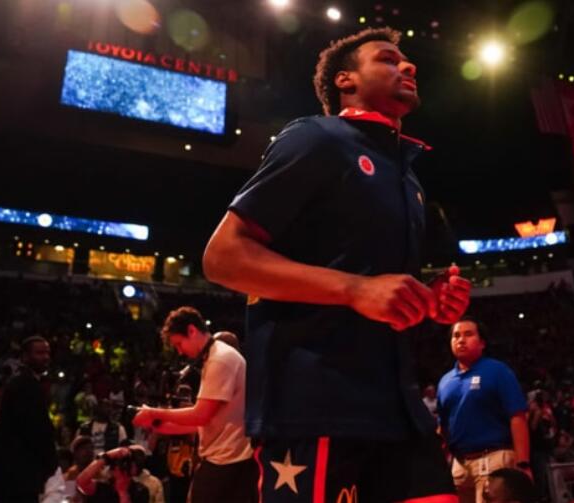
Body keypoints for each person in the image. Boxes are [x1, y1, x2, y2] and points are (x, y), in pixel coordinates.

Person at [202, 27, 471, 502]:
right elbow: (223, 256)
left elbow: (376, 284)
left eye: (406, 61)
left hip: (398, 407)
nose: (407, 65)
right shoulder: (316, 138)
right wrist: (355, 289)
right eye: (387, 59)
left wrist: (427, 299)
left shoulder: (408, 178)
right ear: (345, 80)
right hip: (317, 404)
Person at [132, 307, 254, 503]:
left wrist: (154, 412)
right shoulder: (214, 357)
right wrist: (162, 427)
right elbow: (208, 422)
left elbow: (201, 416)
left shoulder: (220, 359)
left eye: (179, 344)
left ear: (192, 330)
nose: (180, 351)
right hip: (228, 458)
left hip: (227, 460)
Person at [437, 317, 531, 503]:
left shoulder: (498, 371)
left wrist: (523, 463)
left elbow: (517, 416)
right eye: (456, 336)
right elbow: (443, 428)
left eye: (468, 334)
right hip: (459, 465)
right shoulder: (445, 381)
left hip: (495, 459)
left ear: (482, 343)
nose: (461, 340)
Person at [0, 336, 58, 503]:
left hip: (14, 474)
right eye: (39, 353)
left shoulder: (25, 383)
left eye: (47, 352)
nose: (46, 357)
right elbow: (34, 429)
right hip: (16, 475)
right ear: (25, 356)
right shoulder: (25, 385)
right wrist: (50, 461)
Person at [76, 447, 149, 503]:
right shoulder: (104, 487)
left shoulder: (140, 491)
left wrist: (122, 491)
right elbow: (81, 482)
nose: (122, 467)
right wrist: (107, 456)